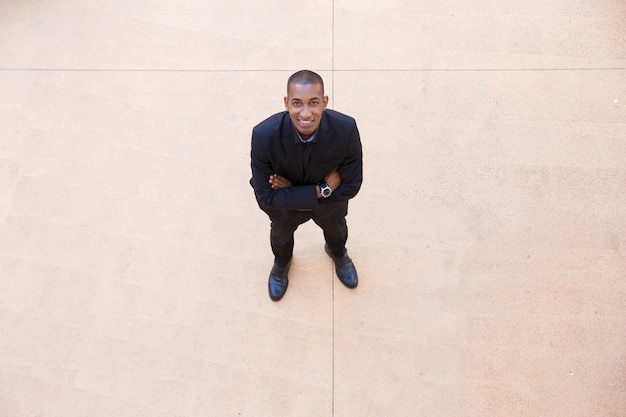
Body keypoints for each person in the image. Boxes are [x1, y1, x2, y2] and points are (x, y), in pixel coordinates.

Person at [250, 70, 363, 301]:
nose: (305, 113)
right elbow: (265, 197)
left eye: (313, 103)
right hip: (286, 211)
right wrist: (321, 190)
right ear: (286, 103)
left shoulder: (346, 129)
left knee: (337, 232)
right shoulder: (263, 136)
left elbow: (352, 184)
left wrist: (290, 191)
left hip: (329, 208)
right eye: (297, 103)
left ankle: (338, 253)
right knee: (280, 238)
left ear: (324, 102)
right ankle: (281, 263)